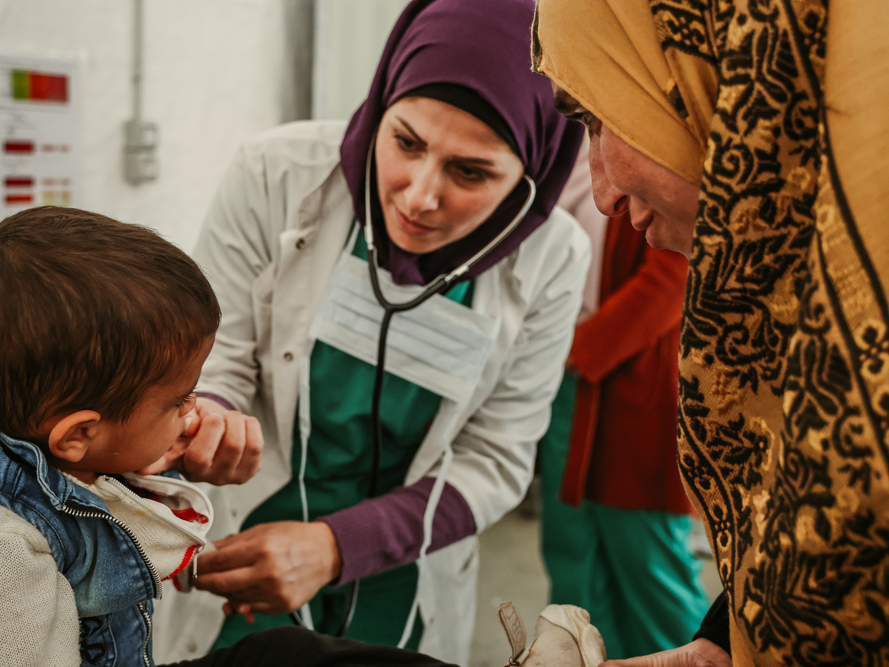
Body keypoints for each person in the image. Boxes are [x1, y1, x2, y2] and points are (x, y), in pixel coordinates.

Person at [152, 0, 588, 663]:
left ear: (532, 173)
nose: (417, 196)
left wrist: (334, 547)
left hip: (403, 562)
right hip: (246, 547)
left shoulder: (555, 259)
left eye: (470, 172)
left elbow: (494, 457)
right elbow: (214, 355)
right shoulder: (274, 175)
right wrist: (208, 416)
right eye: (406, 142)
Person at [0, 206, 459, 667]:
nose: (194, 412)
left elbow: (90, 514)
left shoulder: (39, 431)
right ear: (80, 433)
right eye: (179, 401)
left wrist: (178, 555)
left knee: (290, 654)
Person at [531, 0, 889, 665]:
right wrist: (727, 642)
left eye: (599, 118)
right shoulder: (793, 307)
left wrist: (572, 353)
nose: (602, 190)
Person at [539, 142, 707, 659]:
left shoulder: (649, 137)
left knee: (648, 560)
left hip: (631, 381)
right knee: (573, 554)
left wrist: (578, 349)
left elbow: (674, 272)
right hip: (565, 378)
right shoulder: (555, 148)